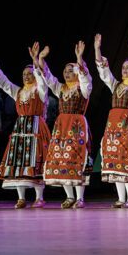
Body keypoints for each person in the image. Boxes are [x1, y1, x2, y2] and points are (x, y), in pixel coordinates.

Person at [0, 43, 51, 208]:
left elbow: (43, 80)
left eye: (30, 74)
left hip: (36, 128)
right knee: (19, 161)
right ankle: (21, 198)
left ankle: (39, 197)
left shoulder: (40, 91)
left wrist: (35, 60)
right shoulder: (18, 91)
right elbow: (3, 83)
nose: (26, 76)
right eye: (24, 74)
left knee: (36, 160)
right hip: (21, 129)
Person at [35, 42, 93, 209]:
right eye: (65, 71)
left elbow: (86, 78)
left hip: (77, 127)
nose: (67, 74)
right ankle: (69, 196)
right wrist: (40, 58)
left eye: (71, 71)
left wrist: (79, 58)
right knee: (62, 160)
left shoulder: (84, 89)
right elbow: (48, 77)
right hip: (61, 128)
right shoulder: (60, 88)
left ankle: (80, 198)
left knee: (77, 159)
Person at [95, 33, 128, 208]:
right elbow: (104, 73)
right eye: (123, 67)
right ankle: (121, 198)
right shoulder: (116, 85)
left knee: (127, 161)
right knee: (115, 161)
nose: (125, 70)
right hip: (113, 129)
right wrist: (97, 49)